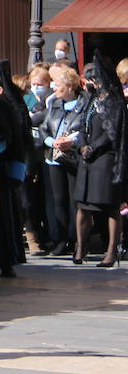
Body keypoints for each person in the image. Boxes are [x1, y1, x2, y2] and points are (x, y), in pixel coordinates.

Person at [71, 57, 124, 267]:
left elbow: (114, 130)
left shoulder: (115, 101)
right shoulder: (91, 101)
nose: (94, 83)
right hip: (87, 159)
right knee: (83, 206)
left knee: (110, 207)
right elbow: (82, 125)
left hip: (105, 159)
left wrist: (95, 147)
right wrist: (82, 144)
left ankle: (111, 251)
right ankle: (80, 247)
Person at [37, 64, 86, 258]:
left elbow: (84, 129)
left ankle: (77, 240)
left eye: (58, 84)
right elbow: (43, 129)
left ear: (70, 86)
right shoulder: (54, 105)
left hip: (72, 159)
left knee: (75, 201)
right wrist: (52, 142)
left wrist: (70, 141)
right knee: (58, 200)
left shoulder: (83, 105)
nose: (54, 88)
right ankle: (61, 239)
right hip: (54, 159)